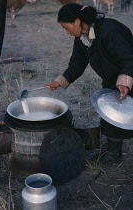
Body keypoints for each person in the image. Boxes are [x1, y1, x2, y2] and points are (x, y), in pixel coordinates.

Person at [45, 3, 133, 163]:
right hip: (112, 79)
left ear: (77, 21)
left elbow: (127, 58)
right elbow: (77, 64)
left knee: (127, 113)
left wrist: (125, 81)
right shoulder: (82, 38)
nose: (66, 32)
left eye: (66, 27)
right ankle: (113, 152)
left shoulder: (108, 30)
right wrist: (60, 81)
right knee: (110, 113)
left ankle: (113, 152)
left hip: (129, 75)